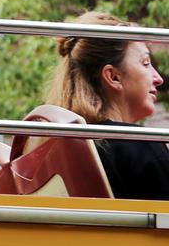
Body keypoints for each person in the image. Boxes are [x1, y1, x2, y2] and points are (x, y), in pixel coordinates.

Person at [46, 11, 168, 200]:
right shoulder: (140, 146)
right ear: (113, 77)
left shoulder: (62, 148)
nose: (158, 78)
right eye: (145, 63)